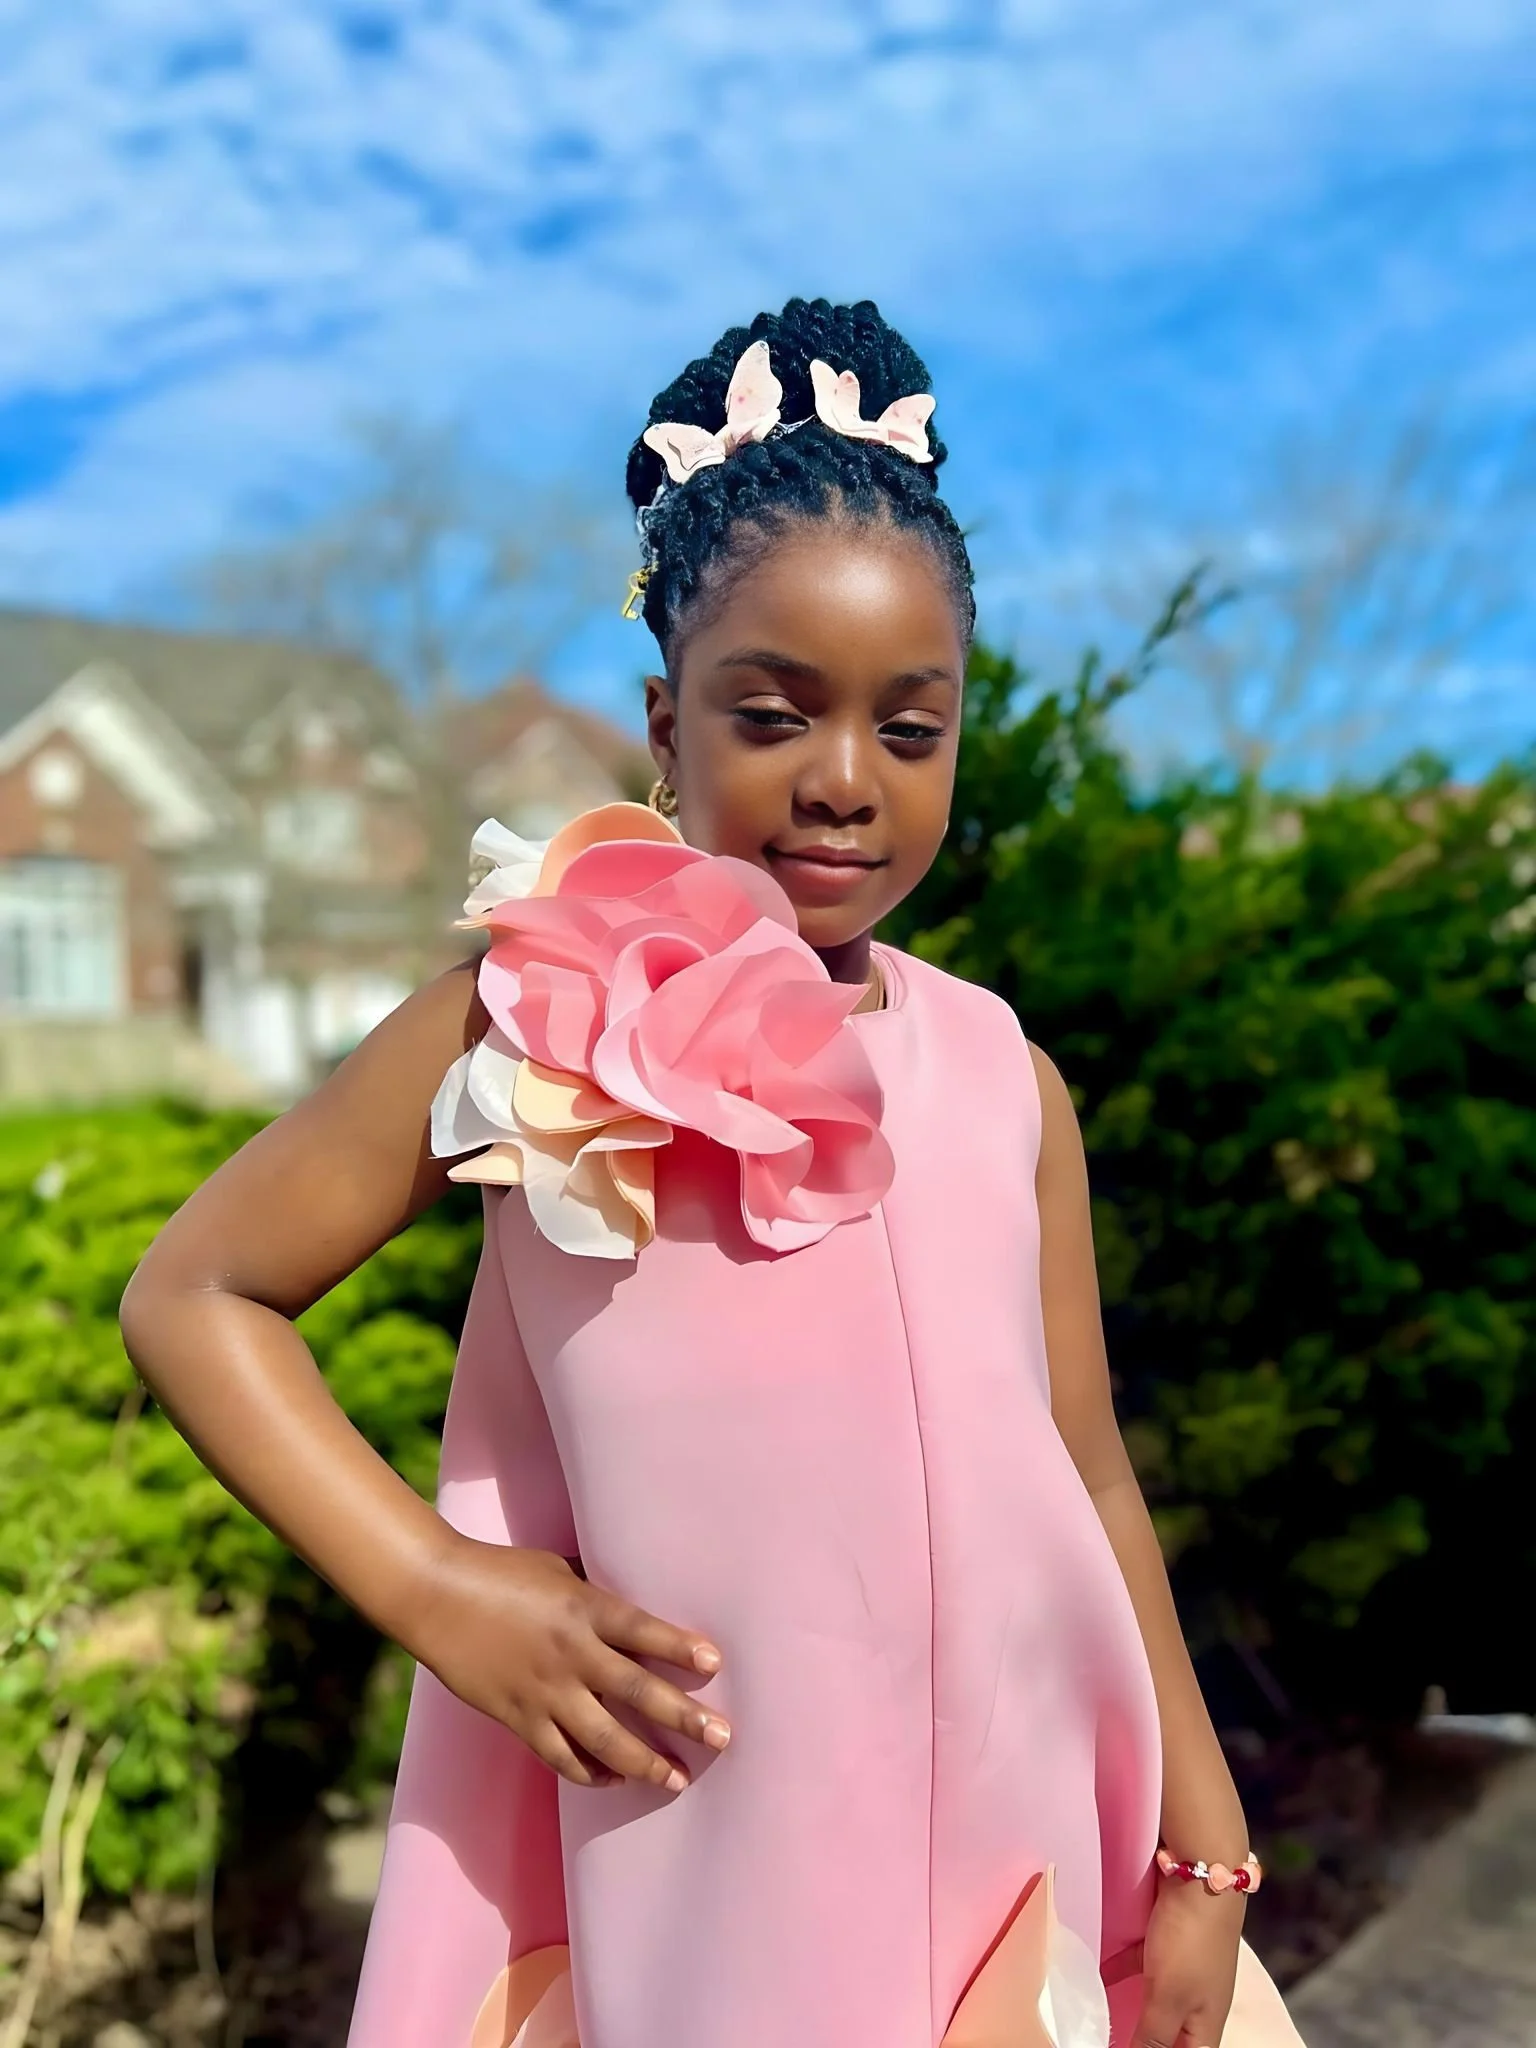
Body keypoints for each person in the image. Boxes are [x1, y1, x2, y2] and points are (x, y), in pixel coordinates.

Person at [121, 298, 1304, 2048]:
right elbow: (198, 1293)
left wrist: (1201, 1842)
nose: (844, 782)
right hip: (705, 1866)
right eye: (773, 714)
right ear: (667, 727)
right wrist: (437, 1590)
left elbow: (1090, 1472)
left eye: (913, 730)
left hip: (1024, 1856)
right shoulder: (525, 1019)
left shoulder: (1008, 1079)